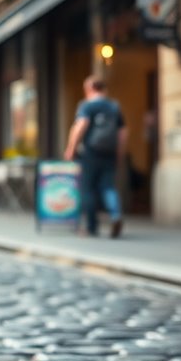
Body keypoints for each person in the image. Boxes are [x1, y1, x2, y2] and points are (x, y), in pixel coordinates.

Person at [63, 75, 127, 238]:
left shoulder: (87, 106)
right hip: (110, 153)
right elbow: (122, 133)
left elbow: (80, 126)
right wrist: (119, 154)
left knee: (88, 188)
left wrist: (71, 148)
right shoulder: (114, 107)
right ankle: (115, 214)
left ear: (89, 89)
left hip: (90, 152)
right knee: (108, 187)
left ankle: (92, 227)